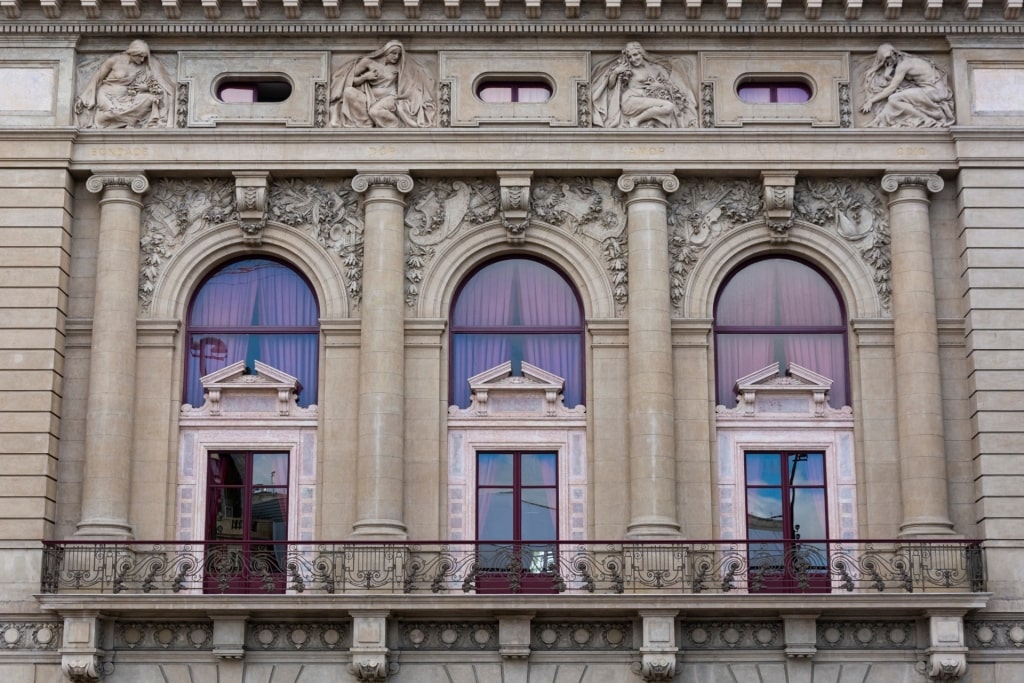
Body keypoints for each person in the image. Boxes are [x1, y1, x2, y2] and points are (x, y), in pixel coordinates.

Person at [329, 40, 436, 128]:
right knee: (348, 92)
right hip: (369, 97)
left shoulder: (398, 67)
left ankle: (399, 126)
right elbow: (350, 81)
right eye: (393, 53)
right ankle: (366, 123)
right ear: (386, 51)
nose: (396, 57)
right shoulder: (368, 62)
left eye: (399, 54)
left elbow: (411, 79)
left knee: (375, 111)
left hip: (390, 98)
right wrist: (365, 77)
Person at [591, 41, 696, 129]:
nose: (633, 59)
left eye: (635, 55)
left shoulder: (655, 68)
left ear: (642, 53)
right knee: (668, 106)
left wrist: (660, 86)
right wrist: (616, 72)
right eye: (630, 56)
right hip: (630, 101)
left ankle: (643, 121)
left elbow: (670, 85)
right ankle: (636, 120)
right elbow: (610, 86)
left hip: (645, 102)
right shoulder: (628, 68)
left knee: (668, 107)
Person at [75, 40, 175, 129]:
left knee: (150, 99)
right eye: (140, 56)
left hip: (129, 99)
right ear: (133, 53)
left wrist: (146, 88)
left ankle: (126, 121)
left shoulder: (144, 67)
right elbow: (97, 79)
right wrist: (83, 98)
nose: (142, 60)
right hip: (107, 96)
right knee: (111, 112)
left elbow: (155, 86)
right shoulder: (114, 60)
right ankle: (104, 119)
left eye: (144, 57)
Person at [860, 44, 955, 128]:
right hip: (932, 89)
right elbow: (902, 84)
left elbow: (892, 88)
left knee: (894, 99)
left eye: (888, 57)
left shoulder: (904, 65)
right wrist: (887, 76)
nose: (888, 61)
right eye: (885, 60)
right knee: (896, 98)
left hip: (934, 91)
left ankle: (926, 119)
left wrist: (871, 101)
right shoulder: (906, 60)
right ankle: (878, 121)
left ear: (894, 53)